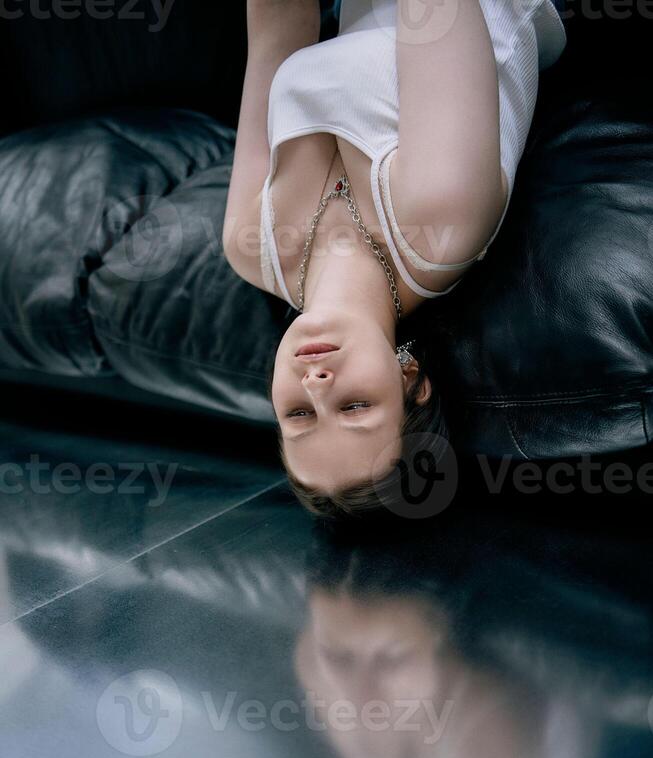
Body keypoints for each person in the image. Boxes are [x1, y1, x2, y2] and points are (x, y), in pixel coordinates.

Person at [223, 0, 567, 517]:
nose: (315, 386)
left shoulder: (250, 245)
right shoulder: (441, 223)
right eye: (354, 407)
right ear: (411, 380)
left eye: (298, 414)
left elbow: (276, 26)